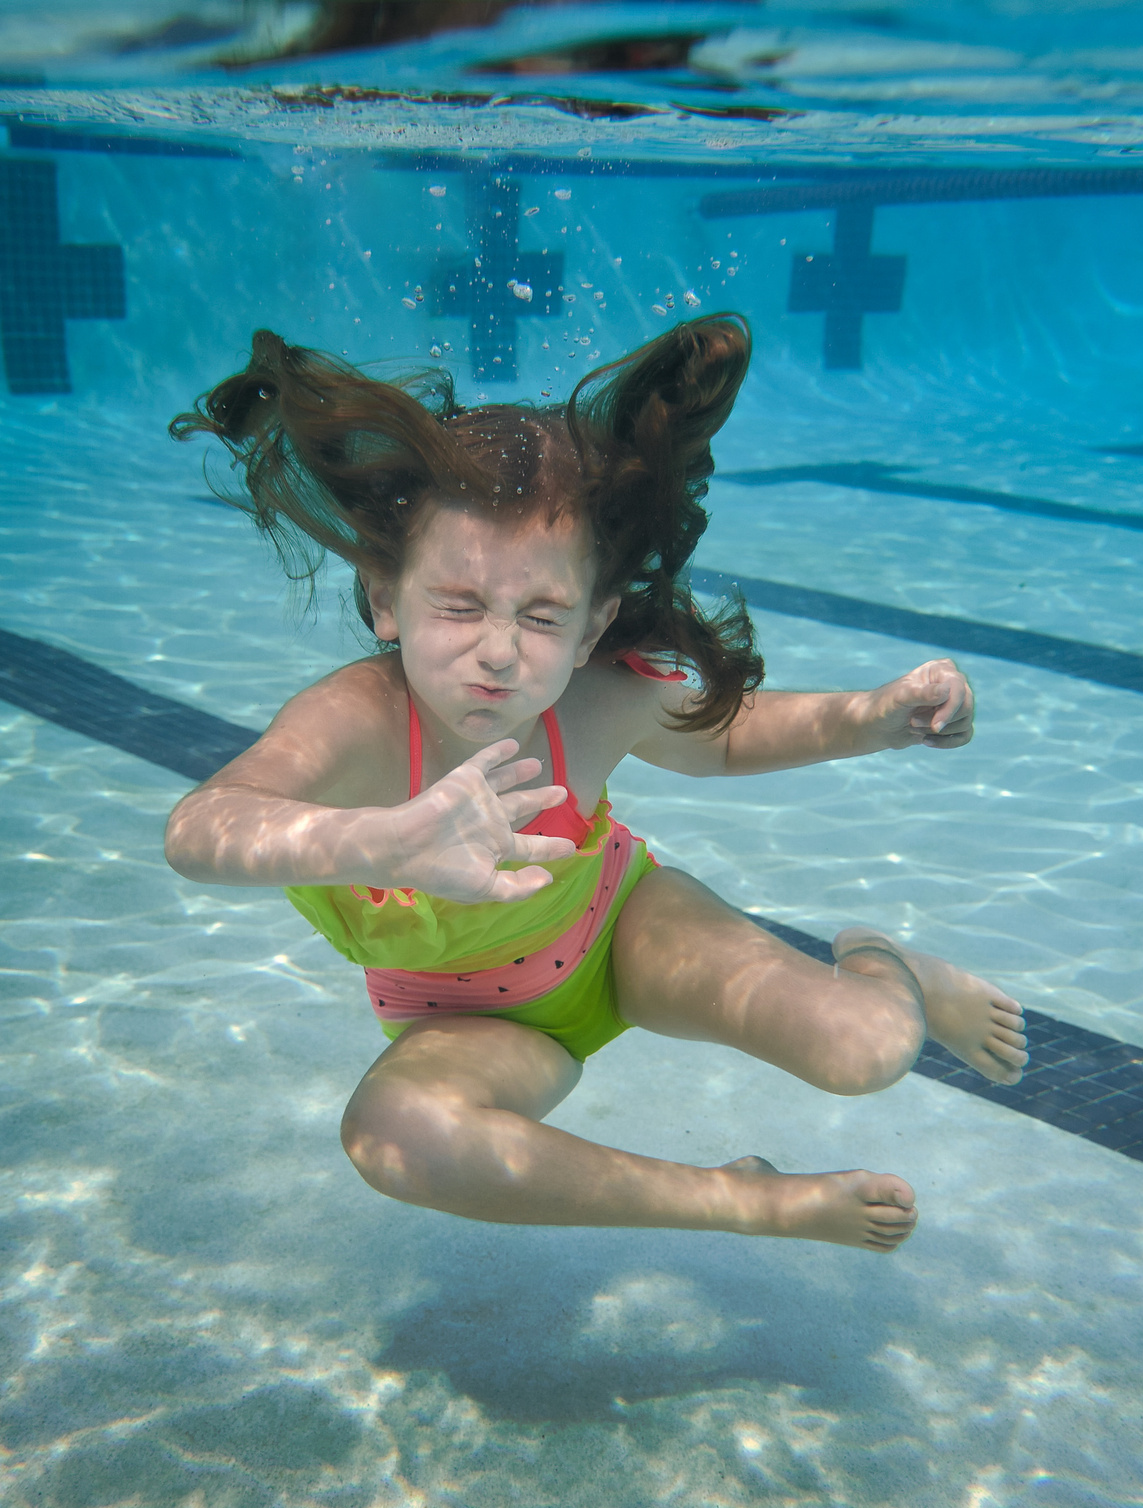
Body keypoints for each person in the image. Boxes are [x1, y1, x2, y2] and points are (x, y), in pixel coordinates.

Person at [163, 314, 1027, 1253]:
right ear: (384, 597)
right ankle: (741, 1200)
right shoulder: (360, 722)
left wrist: (877, 717)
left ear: (592, 626)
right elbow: (203, 827)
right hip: (467, 1018)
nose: (497, 653)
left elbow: (727, 741)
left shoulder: (591, 704)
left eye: (542, 617)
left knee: (866, 1053)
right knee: (393, 1137)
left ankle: (888, 967)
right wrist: (381, 840)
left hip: (626, 934)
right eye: (457, 606)